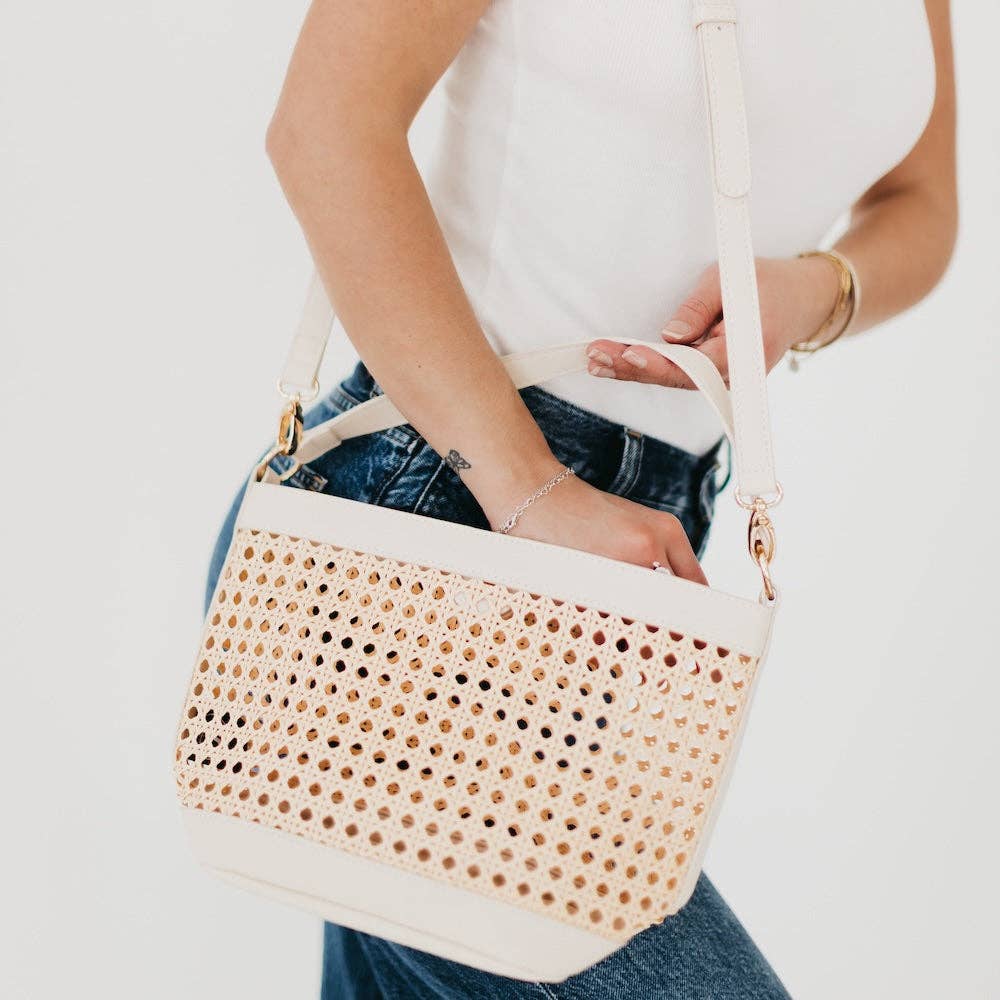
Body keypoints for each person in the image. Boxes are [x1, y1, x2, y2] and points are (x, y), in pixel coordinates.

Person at [204, 1, 956, 996]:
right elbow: (324, 125)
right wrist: (532, 489)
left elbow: (921, 199)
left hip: (636, 581)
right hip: (421, 543)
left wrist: (811, 290)